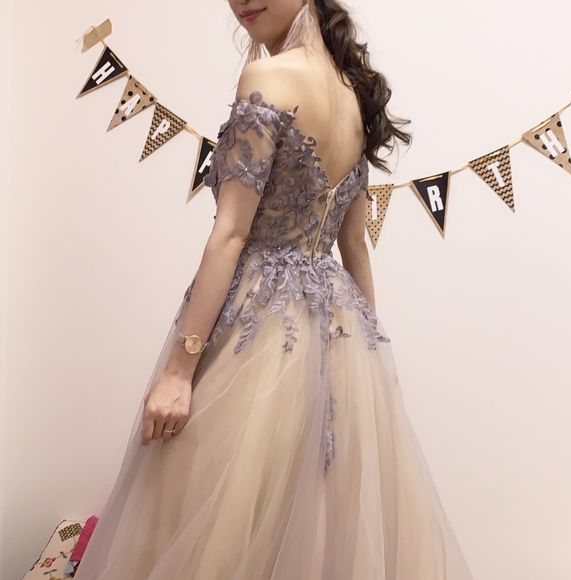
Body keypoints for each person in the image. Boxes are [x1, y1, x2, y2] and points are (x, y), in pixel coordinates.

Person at [74, 1, 475, 578]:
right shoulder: (353, 94)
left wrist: (180, 371)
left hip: (259, 323)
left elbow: (232, 232)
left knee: (217, 517)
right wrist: (372, 353)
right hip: (339, 332)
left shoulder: (268, 75)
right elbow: (354, 247)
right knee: (308, 521)